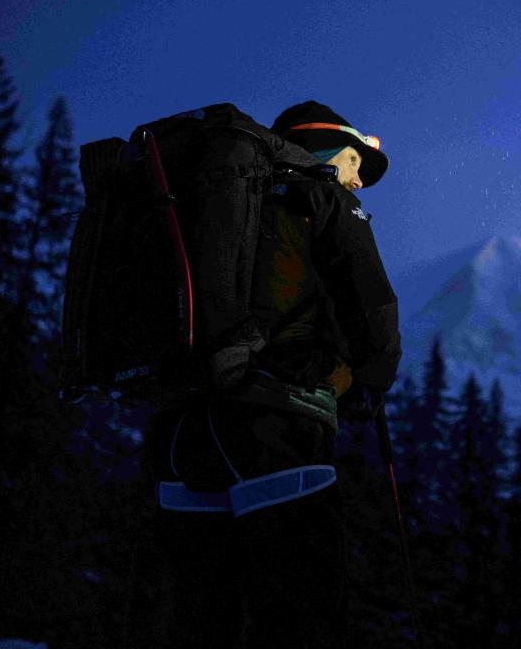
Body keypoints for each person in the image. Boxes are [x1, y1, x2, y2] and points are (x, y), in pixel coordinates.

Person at [149, 100, 401, 648]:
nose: (358, 182)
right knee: (299, 607)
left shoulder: (210, 197)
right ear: (331, 149)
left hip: (183, 431)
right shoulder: (321, 196)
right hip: (277, 423)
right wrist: (371, 382)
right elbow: (371, 306)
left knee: (199, 612)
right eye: (356, 164)